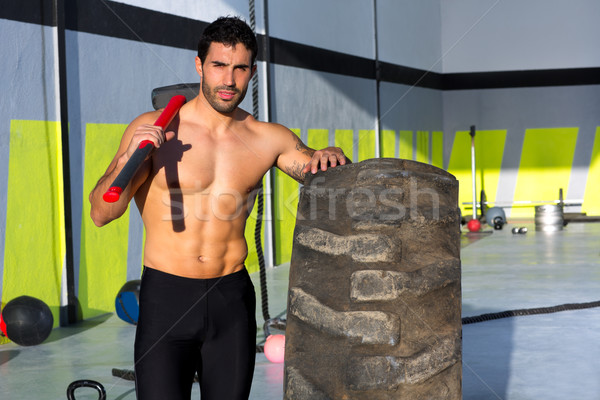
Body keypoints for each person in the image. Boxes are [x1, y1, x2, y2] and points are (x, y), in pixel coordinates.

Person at [89, 16, 349, 400]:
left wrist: (328, 156)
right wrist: (130, 153)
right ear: (199, 65)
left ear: (252, 72)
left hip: (231, 298)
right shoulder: (155, 130)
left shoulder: (268, 138)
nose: (229, 80)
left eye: (240, 68)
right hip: (167, 295)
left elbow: (317, 170)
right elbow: (102, 213)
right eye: (219, 66)